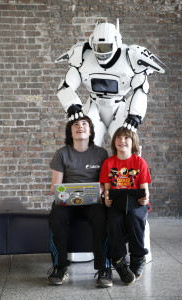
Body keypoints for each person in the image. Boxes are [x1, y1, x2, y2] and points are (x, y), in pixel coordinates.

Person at [55, 19, 167, 145]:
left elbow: (141, 88)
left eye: (106, 47)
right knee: (85, 146)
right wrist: (72, 106)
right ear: (92, 42)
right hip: (94, 106)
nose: (102, 52)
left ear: (116, 42)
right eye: (98, 47)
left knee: (128, 148)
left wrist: (135, 115)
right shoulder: (83, 55)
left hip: (119, 107)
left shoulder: (130, 57)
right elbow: (65, 86)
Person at [48, 115, 112, 288]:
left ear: (91, 131)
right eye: (75, 124)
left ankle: (104, 268)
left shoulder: (101, 153)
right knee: (56, 216)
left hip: (92, 202)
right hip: (67, 203)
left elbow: (105, 184)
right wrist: (66, 192)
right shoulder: (61, 154)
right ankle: (59, 267)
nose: (80, 127)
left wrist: (95, 192)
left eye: (84, 124)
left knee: (102, 217)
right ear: (71, 131)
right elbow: (55, 187)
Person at [99, 126, 151, 285]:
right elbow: (107, 191)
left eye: (126, 138)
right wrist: (106, 199)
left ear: (133, 142)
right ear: (114, 142)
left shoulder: (139, 162)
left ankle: (137, 258)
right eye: (119, 138)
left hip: (136, 204)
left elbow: (145, 191)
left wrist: (145, 199)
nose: (122, 141)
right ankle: (119, 260)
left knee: (134, 217)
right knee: (113, 220)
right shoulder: (108, 163)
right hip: (116, 204)